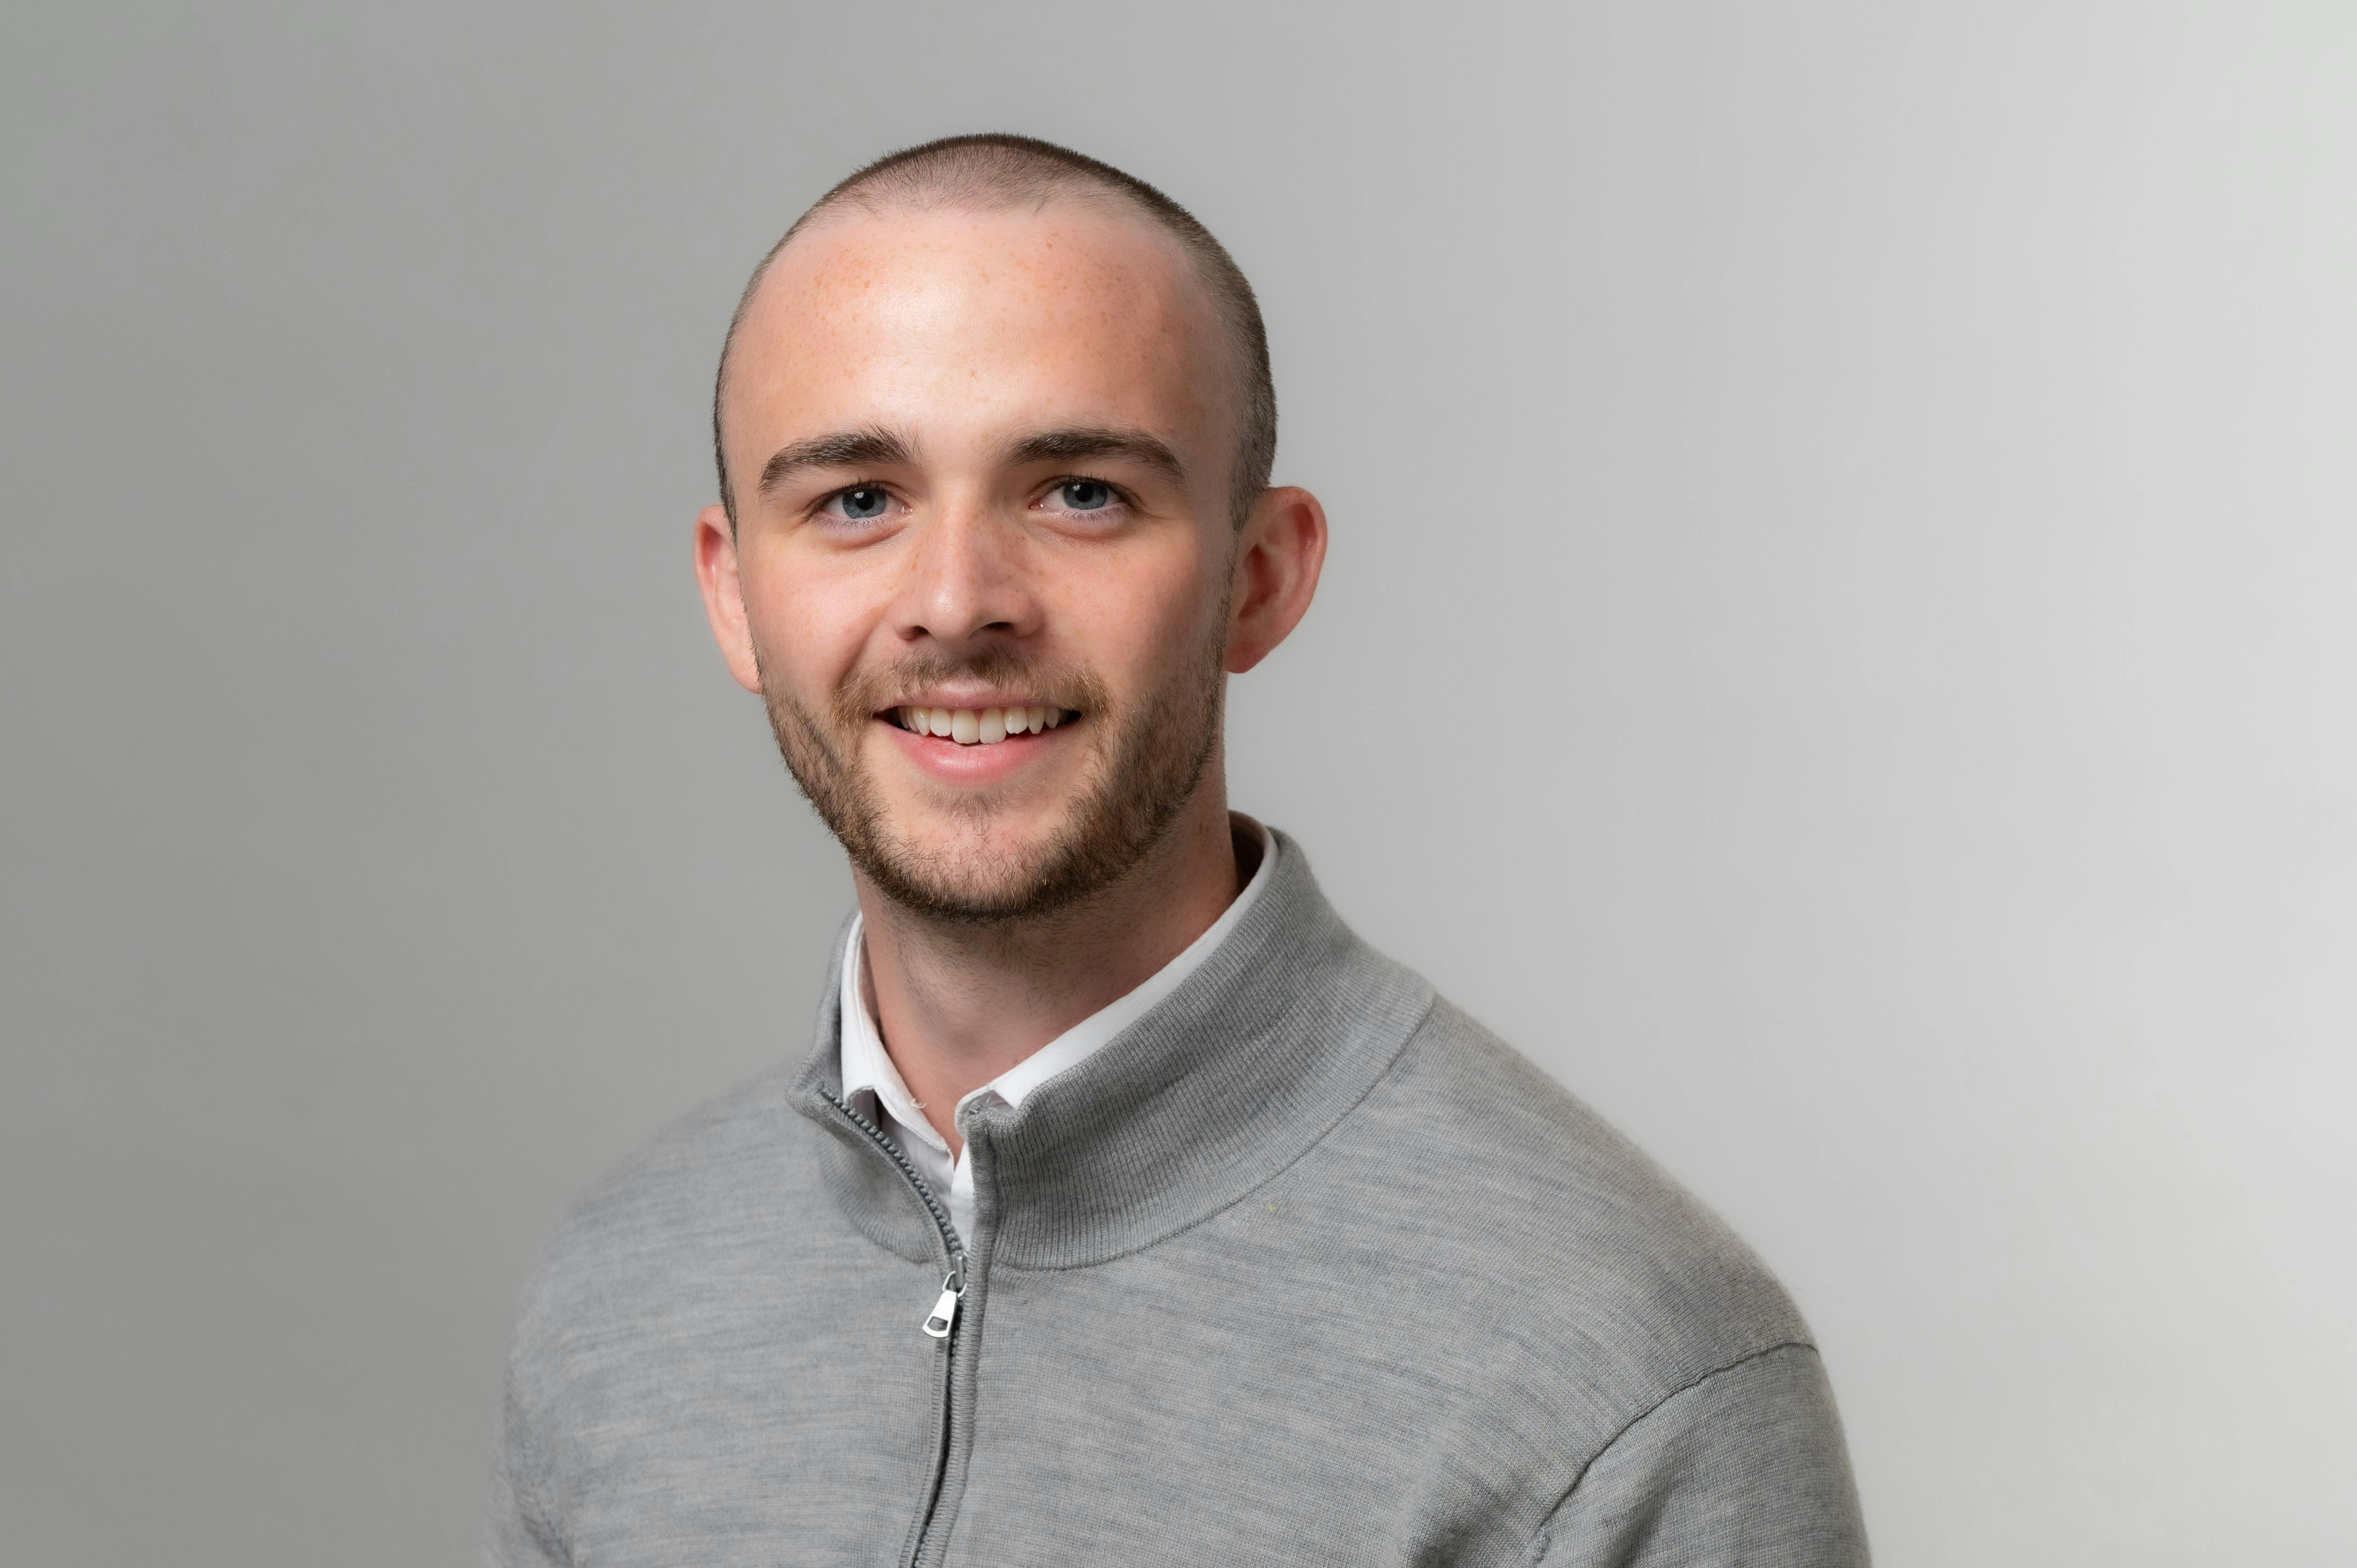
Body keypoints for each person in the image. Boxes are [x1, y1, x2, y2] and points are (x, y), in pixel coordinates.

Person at [485, 133, 1868, 1568]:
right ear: (733, 596)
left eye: (1080, 491)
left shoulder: (1628, 1376)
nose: (956, 602)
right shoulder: (615, 1299)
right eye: (858, 500)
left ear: (1258, 579)